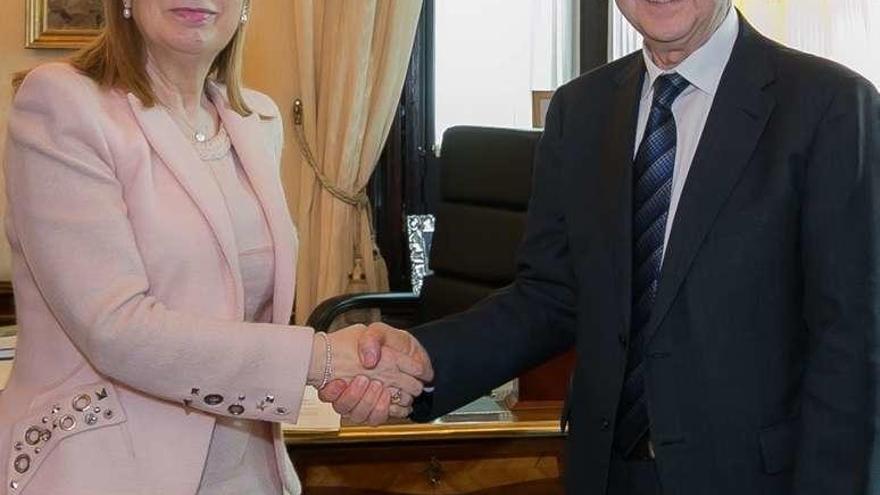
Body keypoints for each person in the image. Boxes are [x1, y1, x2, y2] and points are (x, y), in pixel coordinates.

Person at [321, 0, 880, 494]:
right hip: (604, 468)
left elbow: (853, 342)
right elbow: (551, 296)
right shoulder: (580, 111)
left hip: (755, 477)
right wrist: (423, 360)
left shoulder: (831, 107)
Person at [0, 1, 428, 494]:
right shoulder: (62, 102)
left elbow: (247, 316)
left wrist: (354, 379)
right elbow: (113, 327)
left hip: (250, 470)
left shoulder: (258, 121)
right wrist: (323, 360)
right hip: (106, 469)